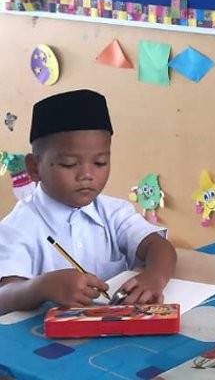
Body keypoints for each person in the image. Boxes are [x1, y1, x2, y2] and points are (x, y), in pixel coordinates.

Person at [0, 90, 177, 314]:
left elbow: (159, 246)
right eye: (69, 164)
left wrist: (154, 278)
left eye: (100, 162)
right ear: (35, 168)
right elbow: (4, 297)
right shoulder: (18, 228)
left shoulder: (113, 211)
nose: (87, 174)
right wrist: (41, 287)